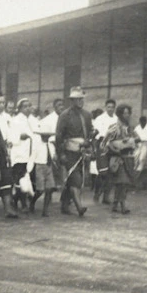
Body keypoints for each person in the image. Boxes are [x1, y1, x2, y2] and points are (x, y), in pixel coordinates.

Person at [55, 87, 94, 217]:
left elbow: (89, 132)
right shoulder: (65, 115)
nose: (80, 101)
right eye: (77, 99)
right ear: (72, 100)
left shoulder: (87, 115)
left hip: (83, 152)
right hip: (69, 151)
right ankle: (79, 207)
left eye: (81, 98)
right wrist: (61, 154)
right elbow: (59, 136)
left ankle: (65, 204)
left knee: (75, 179)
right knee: (75, 178)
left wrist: (89, 142)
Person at [100, 104, 139, 214]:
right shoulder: (114, 127)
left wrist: (130, 141)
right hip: (118, 158)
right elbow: (105, 143)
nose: (127, 115)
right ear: (120, 114)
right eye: (124, 113)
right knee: (122, 182)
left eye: (128, 113)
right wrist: (116, 147)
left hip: (129, 158)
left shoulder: (130, 128)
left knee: (123, 183)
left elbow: (138, 139)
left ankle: (116, 203)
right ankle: (123, 206)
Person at [32, 103, 62, 216]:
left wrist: (55, 161)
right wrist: (29, 169)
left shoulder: (50, 144)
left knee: (50, 188)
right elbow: (32, 157)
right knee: (40, 190)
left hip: (48, 167)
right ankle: (32, 202)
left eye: (48, 135)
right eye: (44, 135)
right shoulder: (37, 145)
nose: (46, 137)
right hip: (39, 166)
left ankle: (45, 210)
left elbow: (53, 156)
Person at [10, 98, 35, 212]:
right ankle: (22, 203)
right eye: (25, 106)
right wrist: (20, 136)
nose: (28, 108)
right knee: (20, 179)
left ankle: (17, 200)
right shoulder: (15, 120)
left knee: (27, 178)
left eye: (29, 106)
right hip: (19, 154)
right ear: (19, 108)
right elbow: (11, 137)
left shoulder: (32, 120)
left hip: (30, 154)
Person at [92, 99, 118, 204]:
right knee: (103, 172)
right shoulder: (100, 119)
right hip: (102, 145)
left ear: (114, 107)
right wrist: (94, 148)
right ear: (105, 107)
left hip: (113, 146)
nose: (110, 109)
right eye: (109, 107)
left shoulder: (117, 119)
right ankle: (97, 191)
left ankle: (106, 196)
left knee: (112, 172)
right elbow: (97, 135)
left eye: (112, 107)